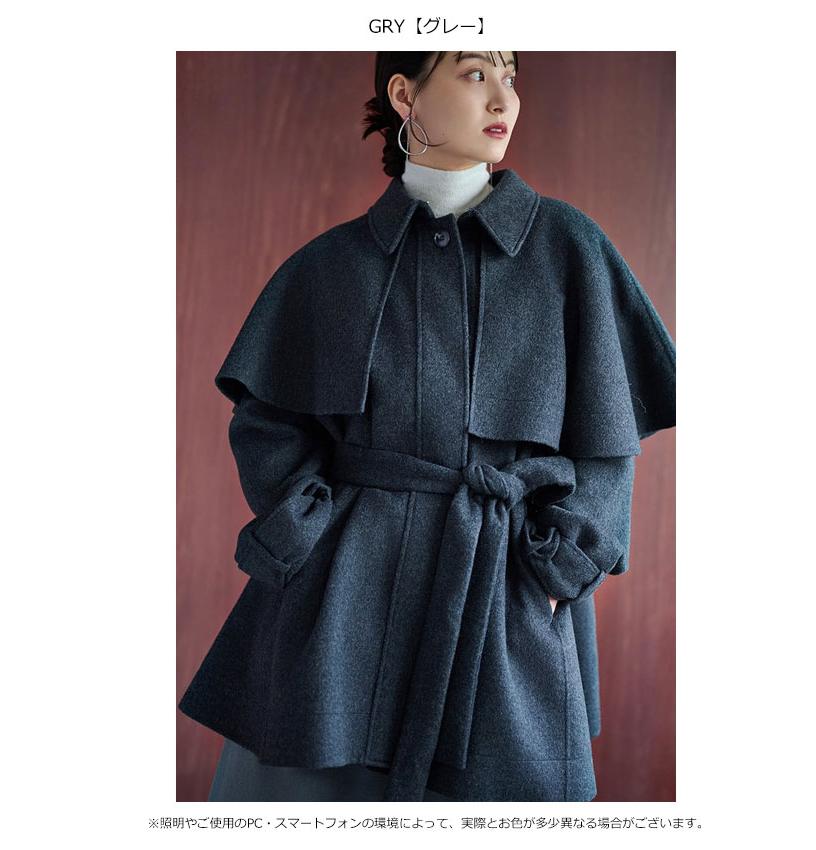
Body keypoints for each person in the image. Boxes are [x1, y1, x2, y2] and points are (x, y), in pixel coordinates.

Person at [179, 50, 676, 803]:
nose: (503, 98)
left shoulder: (569, 249)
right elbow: (267, 423)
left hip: (504, 593)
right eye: (475, 74)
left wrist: (557, 571)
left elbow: (608, 441)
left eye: (510, 76)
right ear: (405, 94)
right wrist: (312, 534)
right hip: (338, 614)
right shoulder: (330, 266)